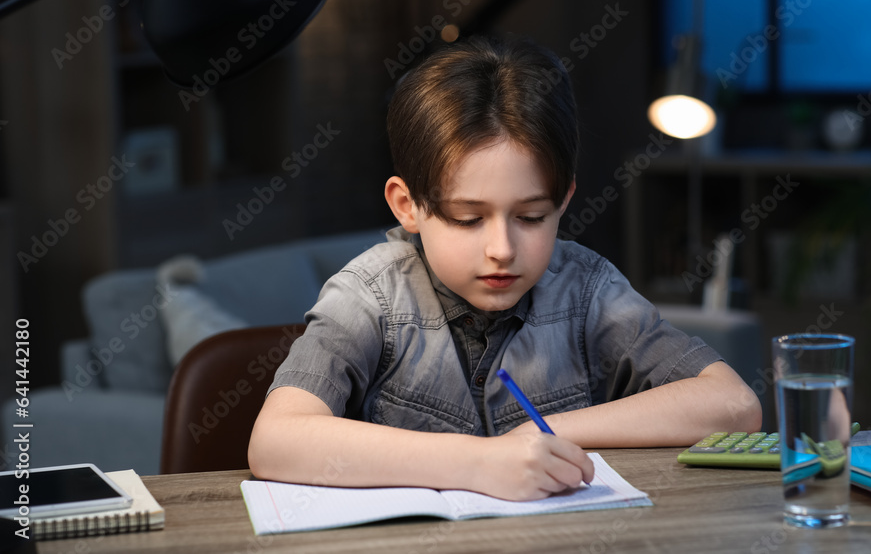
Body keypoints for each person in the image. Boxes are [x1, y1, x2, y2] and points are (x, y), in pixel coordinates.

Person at [248, 35, 761, 501]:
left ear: (563, 201)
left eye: (531, 217)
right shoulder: (369, 297)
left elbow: (734, 404)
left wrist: (545, 433)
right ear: (408, 206)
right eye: (468, 218)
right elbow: (276, 440)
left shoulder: (586, 289)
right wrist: (478, 462)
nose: (502, 249)